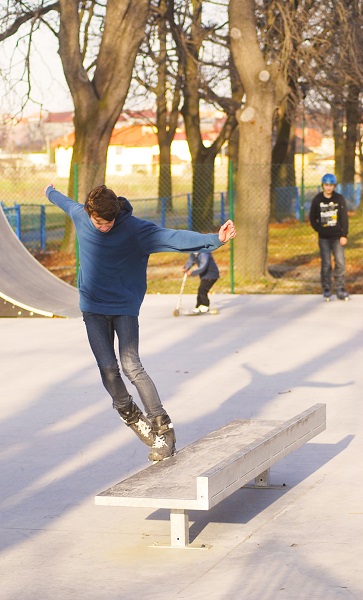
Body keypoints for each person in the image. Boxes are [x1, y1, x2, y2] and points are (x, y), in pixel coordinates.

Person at [44, 183, 236, 462]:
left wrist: (214, 240)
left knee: (131, 364)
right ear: (89, 212)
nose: (103, 227)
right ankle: (131, 416)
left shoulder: (135, 230)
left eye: (109, 222)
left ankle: (163, 430)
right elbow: (63, 200)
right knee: (108, 369)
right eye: (98, 221)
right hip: (93, 308)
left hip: (124, 307)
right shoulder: (81, 215)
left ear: (116, 213)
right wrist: (49, 191)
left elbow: (173, 237)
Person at [309, 173, 349, 301]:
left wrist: (344, 235)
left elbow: (344, 218)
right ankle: (326, 288)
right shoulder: (317, 200)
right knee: (326, 264)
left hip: (338, 237)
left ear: (334, 186)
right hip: (324, 238)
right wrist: (318, 229)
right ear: (323, 186)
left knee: (340, 263)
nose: (328, 188)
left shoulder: (339, 199)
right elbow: (312, 217)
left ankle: (340, 288)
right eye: (326, 185)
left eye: (331, 185)